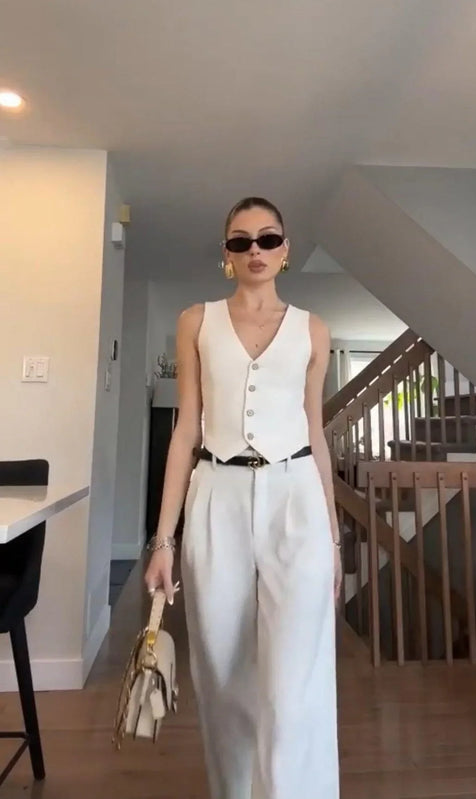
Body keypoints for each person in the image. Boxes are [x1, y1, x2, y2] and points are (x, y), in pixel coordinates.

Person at [145, 196, 341, 799]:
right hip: (217, 496)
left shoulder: (313, 328)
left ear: (285, 249)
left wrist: (333, 539)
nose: (254, 249)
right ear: (227, 255)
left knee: (293, 683)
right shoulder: (195, 321)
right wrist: (162, 540)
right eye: (239, 241)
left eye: (266, 238)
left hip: (297, 500)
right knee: (223, 674)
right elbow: (186, 429)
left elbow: (315, 432)